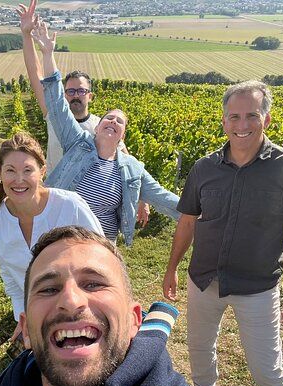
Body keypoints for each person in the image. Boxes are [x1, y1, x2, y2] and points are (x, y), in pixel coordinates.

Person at [0, 226, 256, 386]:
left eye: (93, 284)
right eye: (48, 288)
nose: (71, 300)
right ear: (26, 329)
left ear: (134, 322)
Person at [162, 81, 283, 386]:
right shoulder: (204, 168)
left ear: (266, 118)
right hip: (203, 278)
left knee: (266, 366)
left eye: (252, 115)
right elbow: (187, 223)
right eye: (234, 116)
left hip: (257, 286)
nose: (242, 123)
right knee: (200, 344)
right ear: (223, 120)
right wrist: (172, 268)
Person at [30, 21, 180, 244]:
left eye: (120, 121)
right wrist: (48, 53)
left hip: (102, 245)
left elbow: (163, 198)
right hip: (63, 238)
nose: (113, 121)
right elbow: (57, 102)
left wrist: (202, 213)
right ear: (97, 126)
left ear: (122, 135)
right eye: (109, 117)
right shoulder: (77, 143)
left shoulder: (131, 168)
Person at [17, 0, 151, 227]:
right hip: (56, 201)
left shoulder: (104, 126)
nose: (75, 95)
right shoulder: (53, 115)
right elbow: (35, 73)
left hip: (94, 208)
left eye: (81, 90)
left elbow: (127, 163)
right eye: (70, 91)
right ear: (63, 94)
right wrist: (26, 34)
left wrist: (142, 198)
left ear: (90, 96)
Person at [0, 132, 103, 342]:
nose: (19, 180)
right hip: (39, 312)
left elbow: (104, 260)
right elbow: (10, 276)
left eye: (28, 170)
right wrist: (24, 319)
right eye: (10, 170)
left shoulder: (70, 206)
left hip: (80, 305)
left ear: (42, 172)